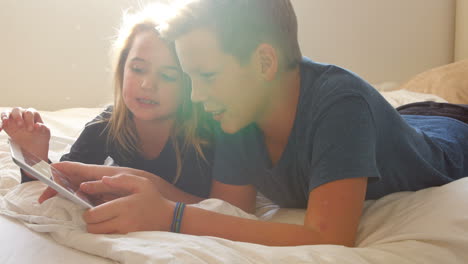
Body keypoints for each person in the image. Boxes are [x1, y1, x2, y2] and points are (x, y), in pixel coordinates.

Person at [35, 0, 468, 246]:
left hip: (446, 130)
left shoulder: (340, 104)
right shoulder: (234, 113)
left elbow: (329, 238)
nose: (197, 97)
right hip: (398, 121)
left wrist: (170, 218)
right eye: (189, 79)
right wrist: (119, 180)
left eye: (206, 76)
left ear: (264, 62)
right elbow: (232, 209)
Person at [0, 4, 214, 205]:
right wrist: (35, 158)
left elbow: (220, 209)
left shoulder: (204, 136)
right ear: (122, 69)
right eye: (138, 69)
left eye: (168, 76)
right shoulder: (106, 124)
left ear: (190, 80)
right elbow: (61, 185)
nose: (147, 84)